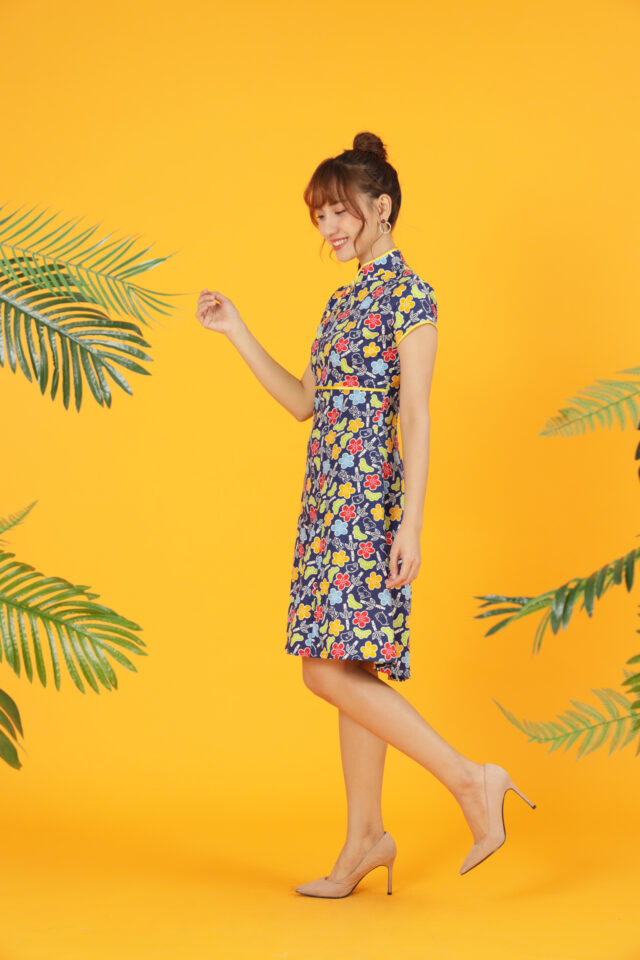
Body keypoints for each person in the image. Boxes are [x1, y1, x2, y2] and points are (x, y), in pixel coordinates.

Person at [196, 131, 536, 899]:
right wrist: (237, 330)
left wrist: (410, 523)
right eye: (320, 216)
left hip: (368, 499)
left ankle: (471, 780)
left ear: (381, 209)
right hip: (326, 500)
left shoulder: (411, 296)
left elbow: (415, 414)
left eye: (341, 211)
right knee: (349, 666)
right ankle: (365, 841)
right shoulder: (341, 302)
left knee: (323, 670)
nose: (329, 228)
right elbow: (303, 403)